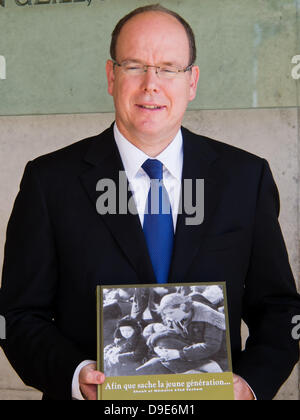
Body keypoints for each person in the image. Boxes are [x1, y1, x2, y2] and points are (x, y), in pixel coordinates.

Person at [0, 4, 299, 401]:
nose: (150, 84)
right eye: (134, 66)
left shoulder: (245, 178)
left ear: (191, 81)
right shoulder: (49, 181)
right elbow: (17, 316)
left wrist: (249, 386)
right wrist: (75, 376)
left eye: (168, 68)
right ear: (111, 76)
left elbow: (280, 309)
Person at [136, 293, 227, 375]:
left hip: (216, 354)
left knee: (167, 361)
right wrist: (155, 345)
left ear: (183, 306)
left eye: (171, 313)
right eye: (166, 314)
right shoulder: (177, 316)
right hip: (193, 349)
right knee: (162, 343)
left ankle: (207, 367)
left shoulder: (208, 315)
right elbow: (172, 332)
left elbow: (212, 346)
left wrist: (179, 354)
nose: (169, 317)